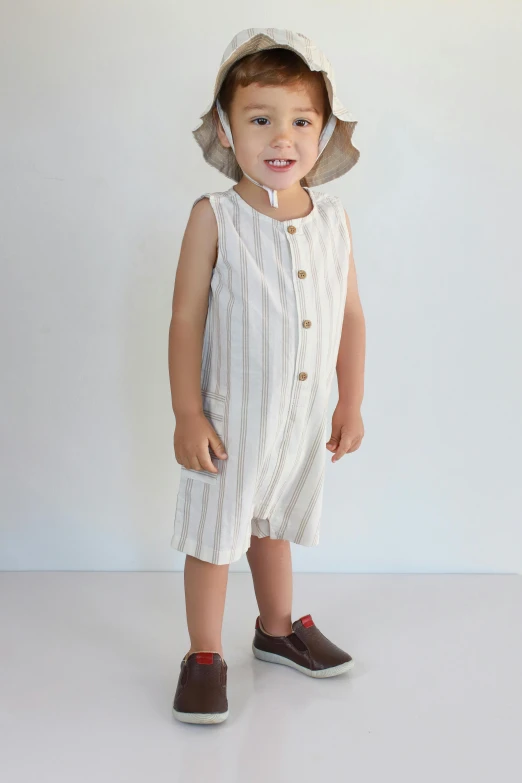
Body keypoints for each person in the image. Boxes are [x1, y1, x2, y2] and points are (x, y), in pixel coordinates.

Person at [168, 28, 366, 724]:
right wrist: (188, 412)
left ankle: (276, 629)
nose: (281, 137)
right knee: (216, 532)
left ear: (324, 131)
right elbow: (186, 319)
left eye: (300, 120)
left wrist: (352, 402)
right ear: (227, 128)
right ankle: (202, 653)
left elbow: (351, 318)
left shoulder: (333, 221)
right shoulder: (214, 216)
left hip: (300, 419)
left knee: (273, 520)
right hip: (230, 417)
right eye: (260, 119)